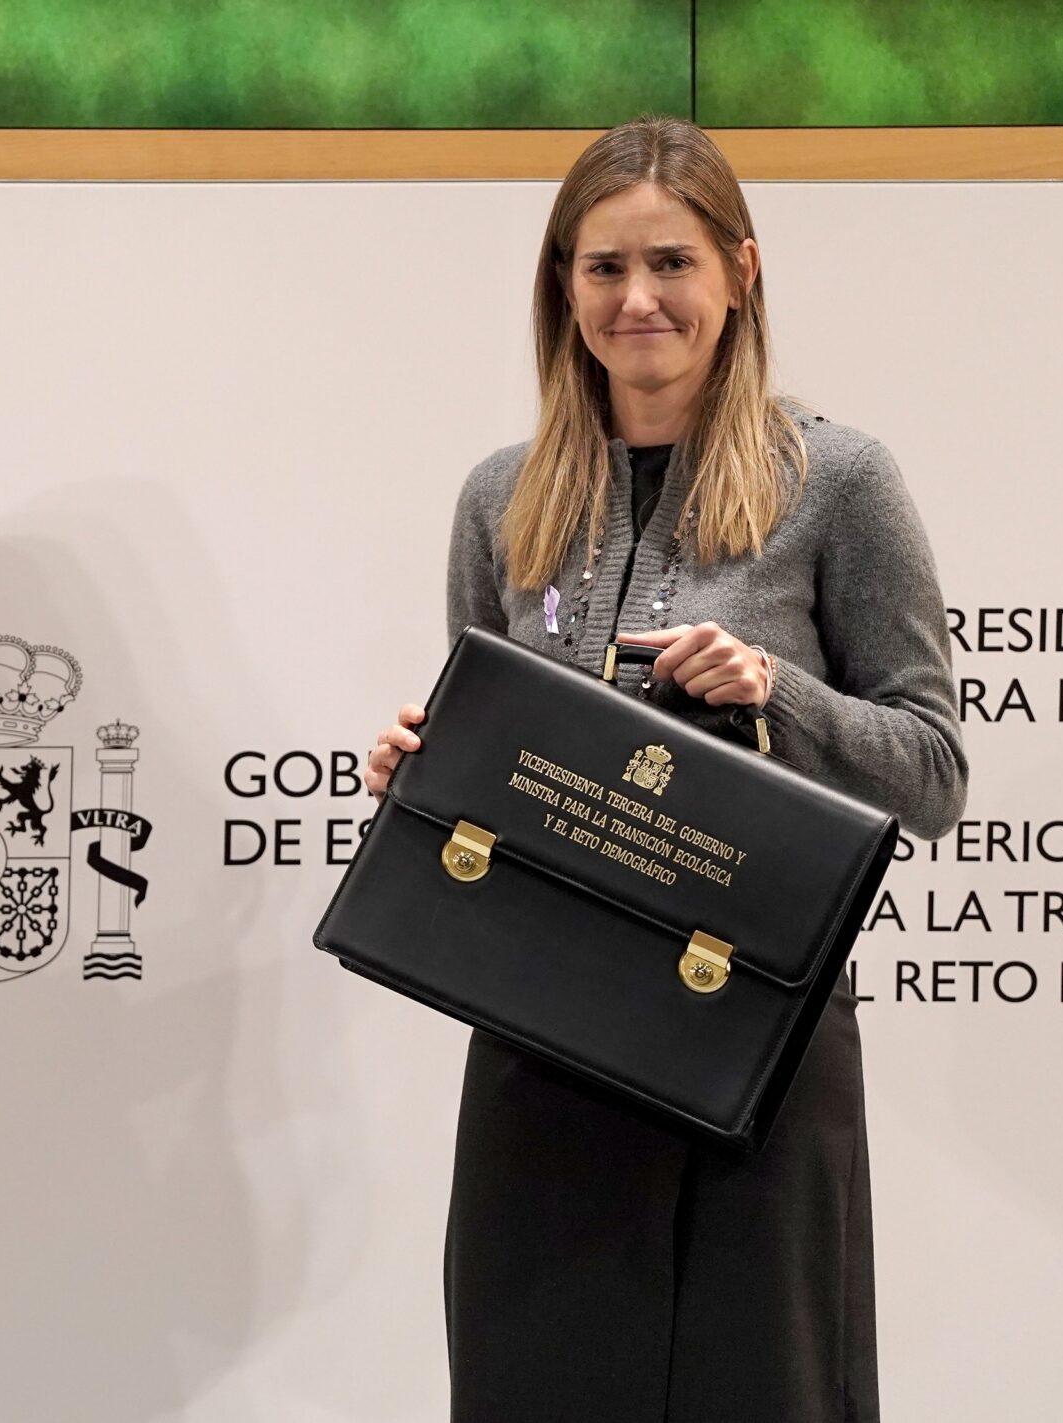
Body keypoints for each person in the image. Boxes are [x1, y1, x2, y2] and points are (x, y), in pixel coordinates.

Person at [361, 117, 966, 1421]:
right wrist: (422, 779)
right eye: (604, 267)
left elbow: (930, 774)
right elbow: (493, 771)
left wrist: (774, 689)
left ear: (741, 271)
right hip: (538, 1042)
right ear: (563, 287)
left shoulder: (840, 482)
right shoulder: (500, 496)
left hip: (753, 1040)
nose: (638, 298)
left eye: (672, 262)